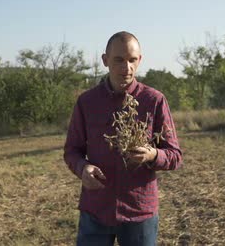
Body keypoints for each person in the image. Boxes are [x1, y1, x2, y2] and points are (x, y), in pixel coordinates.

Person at [64, 31, 183, 245]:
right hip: (96, 210)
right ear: (105, 60)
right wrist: (83, 168)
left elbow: (175, 155)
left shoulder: (154, 100)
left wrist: (153, 154)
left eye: (132, 60)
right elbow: (72, 150)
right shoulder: (87, 102)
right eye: (118, 60)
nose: (126, 67)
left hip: (139, 213)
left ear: (140, 60)